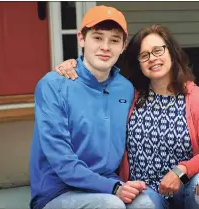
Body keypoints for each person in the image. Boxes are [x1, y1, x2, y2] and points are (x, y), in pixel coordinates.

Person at [54, 24, 199, 209]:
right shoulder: (129, 94)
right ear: (139, 64)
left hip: (184, 183)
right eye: (144, 55)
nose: (153, 59)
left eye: (158, 50)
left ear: (172, 53)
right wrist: (73, 65)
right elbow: (97, 76)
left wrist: (180, 172)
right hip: (144, 189)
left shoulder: (197, 97)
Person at [29, 5, 158, 209]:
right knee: (111, 205)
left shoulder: (125, 88)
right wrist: (114, 187)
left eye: (114, 40)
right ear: (81, 38)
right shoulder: (54, 85)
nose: (105, 47)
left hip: (108, 183)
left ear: (123, 46)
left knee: (145, 204)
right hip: (58, 190)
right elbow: (62, 162)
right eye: (97, 38)